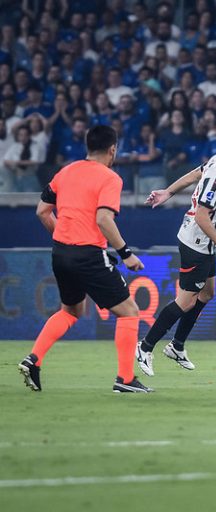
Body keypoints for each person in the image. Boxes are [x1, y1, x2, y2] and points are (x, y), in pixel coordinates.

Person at [18, 125, 150, 393]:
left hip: (61, 253)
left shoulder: (66, 172)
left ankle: (33, 359)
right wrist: (126, 254)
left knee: (71, 310)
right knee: (129, 312)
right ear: (113, 149)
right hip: (88, 254)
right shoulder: (110, 178)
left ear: (88, 147)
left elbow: (43, 211)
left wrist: (66, 237)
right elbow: (103, 219)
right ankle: (125, 379)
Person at [136, 127, 216, 376]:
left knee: (207, 293)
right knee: (186, 300)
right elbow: (202, 216)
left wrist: (168, 191)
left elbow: (194, 174)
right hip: (197, 244)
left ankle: (177, 346)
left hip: (203, 242)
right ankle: (145, 346)